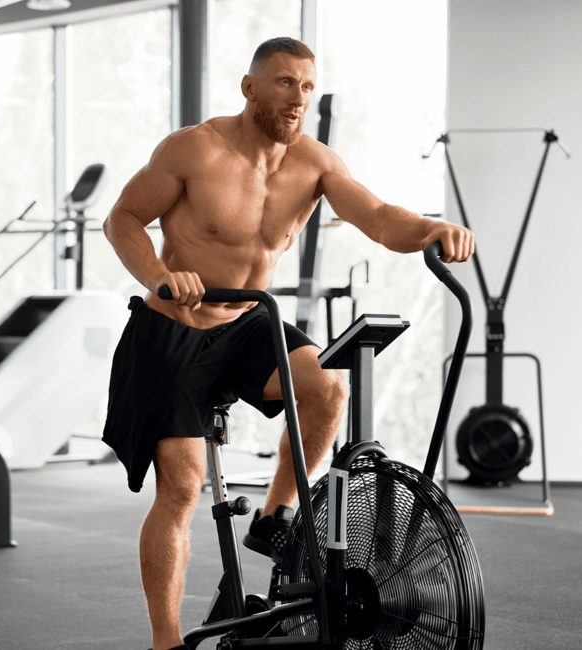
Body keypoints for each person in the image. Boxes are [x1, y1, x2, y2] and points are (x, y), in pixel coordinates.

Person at [101, 37, 474, 650]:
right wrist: (159, 278)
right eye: (283, 82)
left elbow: (380, 218)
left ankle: (276, 517)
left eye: (306, 85)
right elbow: (121, 219)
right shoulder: (195, 149)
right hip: (176, 328)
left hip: (250, 322)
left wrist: (432, 228)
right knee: (182, 488)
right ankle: (165, 640)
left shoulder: (316, 164)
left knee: (328, 385)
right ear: (250, 88)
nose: (297, 97)